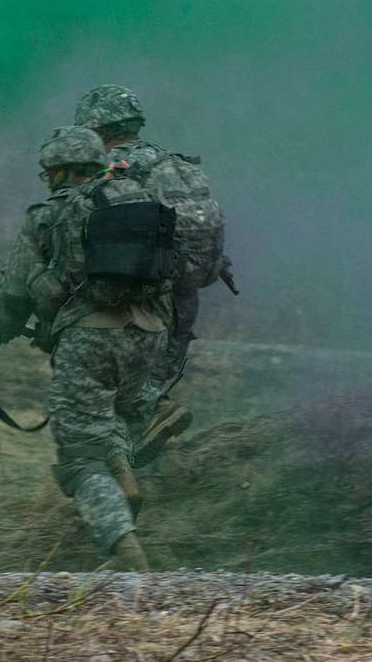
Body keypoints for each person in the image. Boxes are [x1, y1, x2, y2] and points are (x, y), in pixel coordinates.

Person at [0, 125, 175, 571]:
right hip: (150, 338)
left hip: (90, 340)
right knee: (116, 422)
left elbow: (15, 293)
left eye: (51, 175)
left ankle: (125, 551)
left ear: (63, 173)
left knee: (78, 454)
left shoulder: (49, 215)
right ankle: (124, 480)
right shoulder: (139, 201)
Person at [74, 84, 231, 468]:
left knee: (118, 392)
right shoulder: (176, 163)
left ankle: (121, 484)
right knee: (152, 387)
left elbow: (82, 233)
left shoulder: (114, 170)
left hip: (147, 302)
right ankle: (150, 475)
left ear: (97, 127)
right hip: (187, 294)